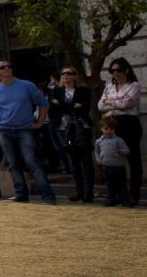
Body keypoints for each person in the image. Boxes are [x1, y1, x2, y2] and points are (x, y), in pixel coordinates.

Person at [0, 60, 56, 204]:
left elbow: (43, 103)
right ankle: (21, 194)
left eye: (9, 66)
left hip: (24, 129)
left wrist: (40, 122)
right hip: (5, 130)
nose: (6, 69)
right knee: (12, 164)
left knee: (32, 162)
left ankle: (47, 196)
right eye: (2, 67)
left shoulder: (26, 85)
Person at [97, 57, 141, 206]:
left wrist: (111, 102)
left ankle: (134, 194)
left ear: (126, 70)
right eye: (112, 70)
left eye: (118, 70)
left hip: (129, 123)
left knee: (133, 158)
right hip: (112, 122)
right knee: (113, 159)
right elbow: (100, 106)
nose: (115, 73)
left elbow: (127, 103)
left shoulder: (133, 85)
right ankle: (116, 195)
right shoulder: (109, 87)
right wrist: (115, 104)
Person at [50, 66, 94, 202]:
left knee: (86, 160)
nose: (66, 76)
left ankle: (89, 192)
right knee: (73, 162)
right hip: (64, 129)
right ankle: (79, 190)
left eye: (69, 73)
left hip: (82, 127)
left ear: (75, 76)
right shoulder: (57, 91)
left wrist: (62, 105)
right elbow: (54, 109)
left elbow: (84, 107)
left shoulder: (83, 90)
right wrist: (71, 106)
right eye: (63, 73)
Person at [95, 116, 131, 206]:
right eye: (106, 128)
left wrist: (120, 151)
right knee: (109, 184)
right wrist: (98, 159)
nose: (109, 131)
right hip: (106, 166)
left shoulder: (118, 140)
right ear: (101, 129)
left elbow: (127, 151)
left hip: (119, 166)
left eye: (111, 129)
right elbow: (97, 151)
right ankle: (111, 199)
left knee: (121, 184)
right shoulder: (99, 141)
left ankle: (124, 200)